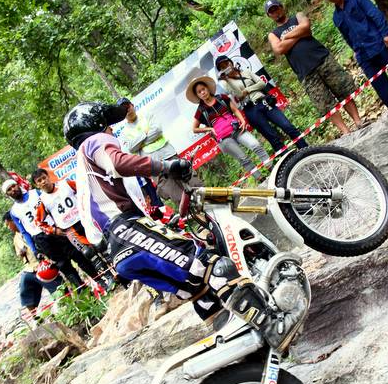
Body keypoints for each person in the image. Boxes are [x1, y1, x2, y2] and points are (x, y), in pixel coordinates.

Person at [62, 101, 285, 349]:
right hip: (127, 231)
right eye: (109, 126)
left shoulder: (83, 170)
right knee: (214, 267)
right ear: (97, 125)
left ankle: (239, 346)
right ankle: (273, 326)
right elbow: (118, 163)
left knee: (198, 291)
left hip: (116, 249)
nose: (112, 131)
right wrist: (167, 166)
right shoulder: (94, 142)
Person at [265, 0, 364, 135]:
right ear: (269, 16)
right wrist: (300, 34)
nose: (275, 12)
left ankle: (358, 121)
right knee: (324, 103)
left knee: (343, 89)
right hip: (305, 72)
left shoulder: (297, 16)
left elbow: (306, 26)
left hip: (322, 59)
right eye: (271, 11)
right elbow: (279, 49)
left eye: (276, 8)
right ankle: (346, 132)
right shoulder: (273, 34)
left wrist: (286, 37)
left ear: (282, 7)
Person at [31, 168, 113, 288]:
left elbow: (83, 189)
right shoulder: (41, 201)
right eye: (39, 181)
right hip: (70, 229)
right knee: (89, 253)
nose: (43, 181)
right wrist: (53, 230)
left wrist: (89, 207)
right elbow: (38, 222)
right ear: (36, 185)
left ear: (48, 177)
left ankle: (117, 270)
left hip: (84, 219)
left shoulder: (65, 184)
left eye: (44, 178)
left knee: (100, 245)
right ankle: (108, 277)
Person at [2, 178, 87, 288]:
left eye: (13, 186)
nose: (13, 190)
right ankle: (82, 289)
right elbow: (24, 231)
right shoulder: (14, 211)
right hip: (40, 238)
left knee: (76, 254)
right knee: (62, 264)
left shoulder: (35, 193)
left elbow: (50, 205)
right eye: (9, 190)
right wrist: (34, 249)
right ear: (7, 194)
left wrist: (60, 224)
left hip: (54, 229)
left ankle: (98, 279)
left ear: (18, 185)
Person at [117, 97, 202, 204]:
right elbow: (131, 147)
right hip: (154, 166)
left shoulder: (147, 116)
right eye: (123, 109)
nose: (127, 110)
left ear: (132, 105)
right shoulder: (124, 133)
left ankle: (214, 205)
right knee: (178, 197)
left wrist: (139, 143)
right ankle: (195, 213)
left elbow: (157, 130)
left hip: (168, 154)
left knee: (195, 185)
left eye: (127, 106)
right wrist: (144, 133)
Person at [215, 55, 308, 152]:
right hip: (251, 110)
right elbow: (239, 95)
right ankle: (289, 159)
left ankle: (305, 149)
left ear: (231, 62)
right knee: (273, 137)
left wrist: (248, 90)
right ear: (221, 71)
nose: (226, 67)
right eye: (222, 67)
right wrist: (227, 80)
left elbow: (262, 83)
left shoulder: (246, 72)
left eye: (226, 63)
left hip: (264, 102)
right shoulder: (227, 84)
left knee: (287, 126)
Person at [187, 76, 270, 180]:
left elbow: (235, 110)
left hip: (237, 130)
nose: (202, 92)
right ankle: (261, 179)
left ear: (207, 88)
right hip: (224, 139)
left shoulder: (222, 98)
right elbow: (194, 129)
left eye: (203, 89)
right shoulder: (201, 110)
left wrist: (243, 121)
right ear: (198, 95)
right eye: (199, 92)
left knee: (256, 145)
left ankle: (271, 168)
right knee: (244, 159)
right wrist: (209, 129)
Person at [3, 211, 64, 321]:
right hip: (30, 268)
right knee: (25, 286)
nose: (8, 227)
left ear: (13, 221)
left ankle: (65, 305)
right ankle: (36, 318)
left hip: (43, 264)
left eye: (8, 224)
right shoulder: (16, 238)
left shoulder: (30, 228)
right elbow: (19, 255)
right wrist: (21, 253)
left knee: (57, 288)